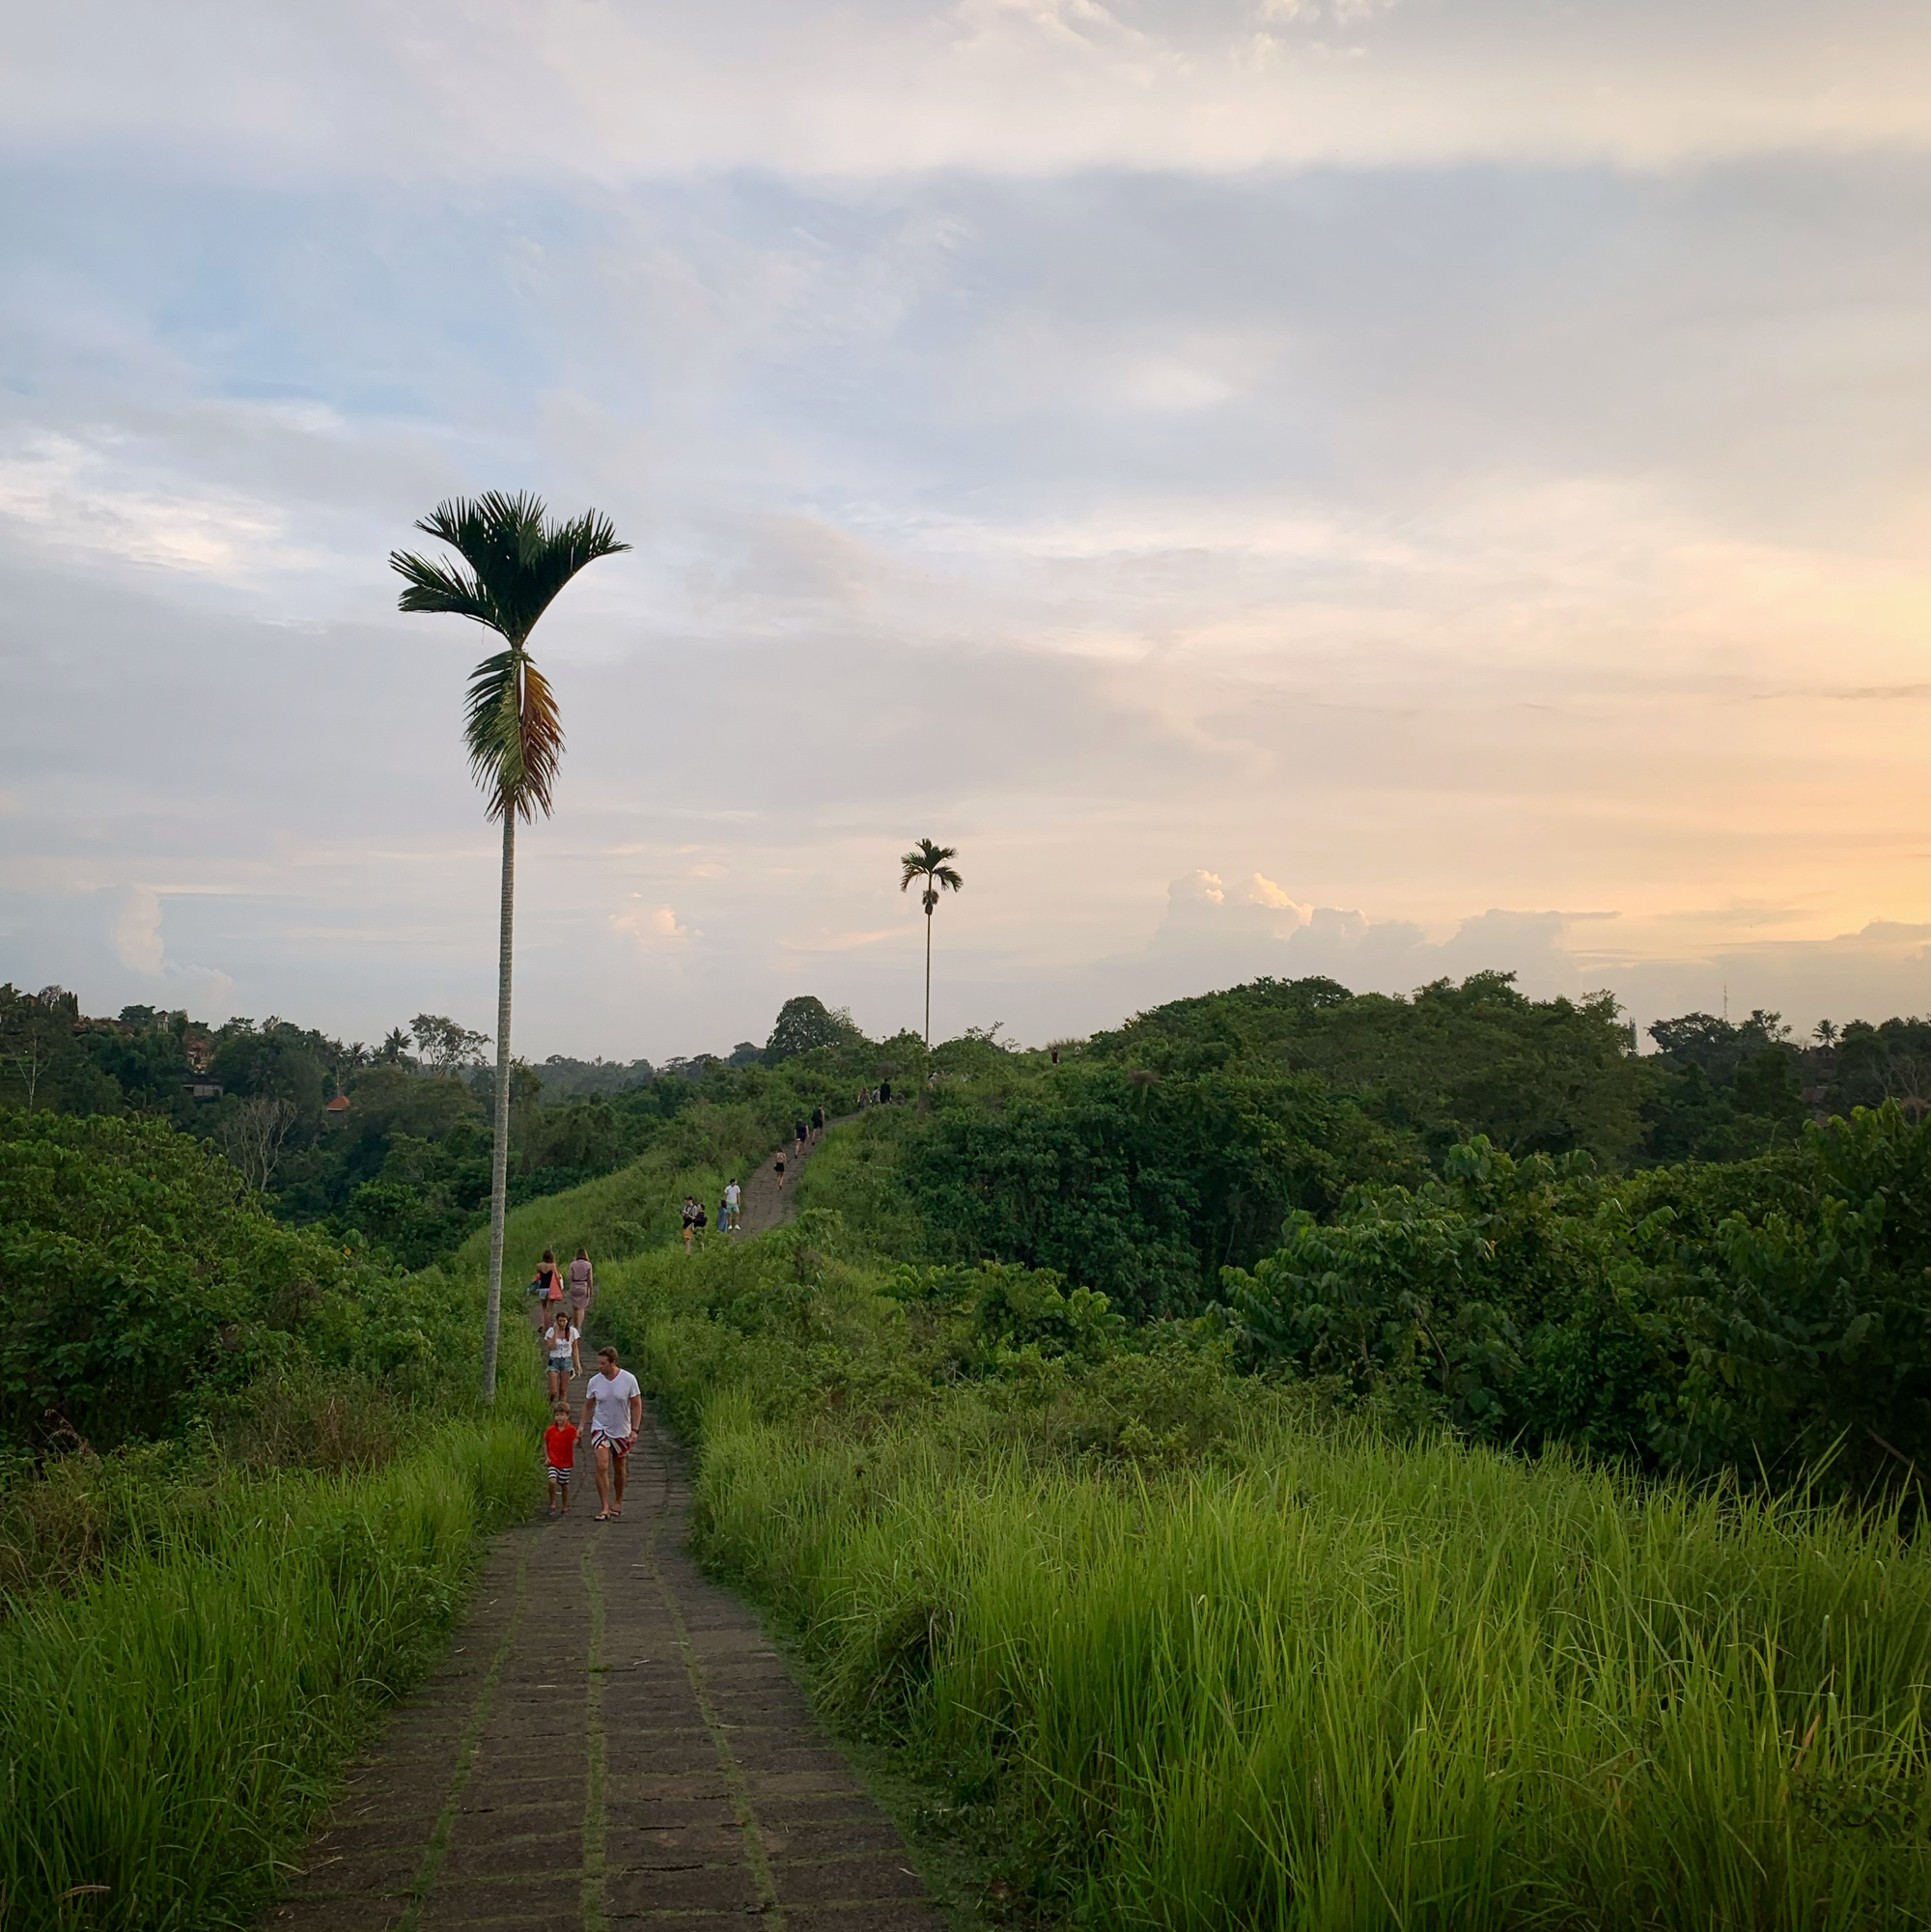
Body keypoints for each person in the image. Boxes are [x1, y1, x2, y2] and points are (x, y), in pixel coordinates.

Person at [579, 1346, 642, 1522]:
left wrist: (635, 1430)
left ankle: (618, 1501)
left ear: (613, 1363)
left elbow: (636, 1405)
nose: (599, 1366)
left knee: (619, 1467)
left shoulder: (628, 1379)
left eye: (603, 1363)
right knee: (602, 1465)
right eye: (599, 1363)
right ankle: (604, 1506)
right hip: (601, 1428)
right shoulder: (594, 1381)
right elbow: (588, 1405)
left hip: (621, 1430)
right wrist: (582, 1425)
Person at [544, 1403, 578, 1518]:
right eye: (557, 1415)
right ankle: (552, 1503)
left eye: (562, 1415)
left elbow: (576, 1442)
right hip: (553, 1461)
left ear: (567, 1416)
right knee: (552, 1480)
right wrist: (547, 1457)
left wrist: (578, 1440)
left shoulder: (571, 1429)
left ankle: (564, 1506)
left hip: (565, 1462)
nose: (560, 1417)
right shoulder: (551, 1430)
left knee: (564, 1484)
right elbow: (546, 1442)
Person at [543, 1306, 580, 1402]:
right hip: (554, 1360)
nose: (562, 1323)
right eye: (560, 1321)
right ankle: (548, 1403)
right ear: (556, 1321)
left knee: (563, 1390)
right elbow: (551, 1347)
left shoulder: (572, 1332)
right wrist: (555, 1332)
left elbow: (575, 1348)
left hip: (566, 1360)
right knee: (553, 1391)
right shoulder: (551, 1331)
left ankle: (562, 1410)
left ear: (567, 1321)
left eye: (564, 1321)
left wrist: (577, 1363)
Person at [529, 1249, 563, 1331]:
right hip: (551, 1288)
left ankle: (543, 1324)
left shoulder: (539, 1266)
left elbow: (538, 1276)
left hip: (542, 1288)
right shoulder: (553, 1266)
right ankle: (547, 1327)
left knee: (544, 1308)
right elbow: (557, 1277)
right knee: (549, 1309)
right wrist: (559, 1287)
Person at [567, 1246, 595, 1328]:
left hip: (574, 1286)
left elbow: (570, 1277)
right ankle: (579, 1328)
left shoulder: (572, 1264)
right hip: (583, 1286)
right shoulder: (588, 1265)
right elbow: (590, 1279)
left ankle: (575, 1326)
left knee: (575, 1308)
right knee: (582, 1308)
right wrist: (591, 1289)